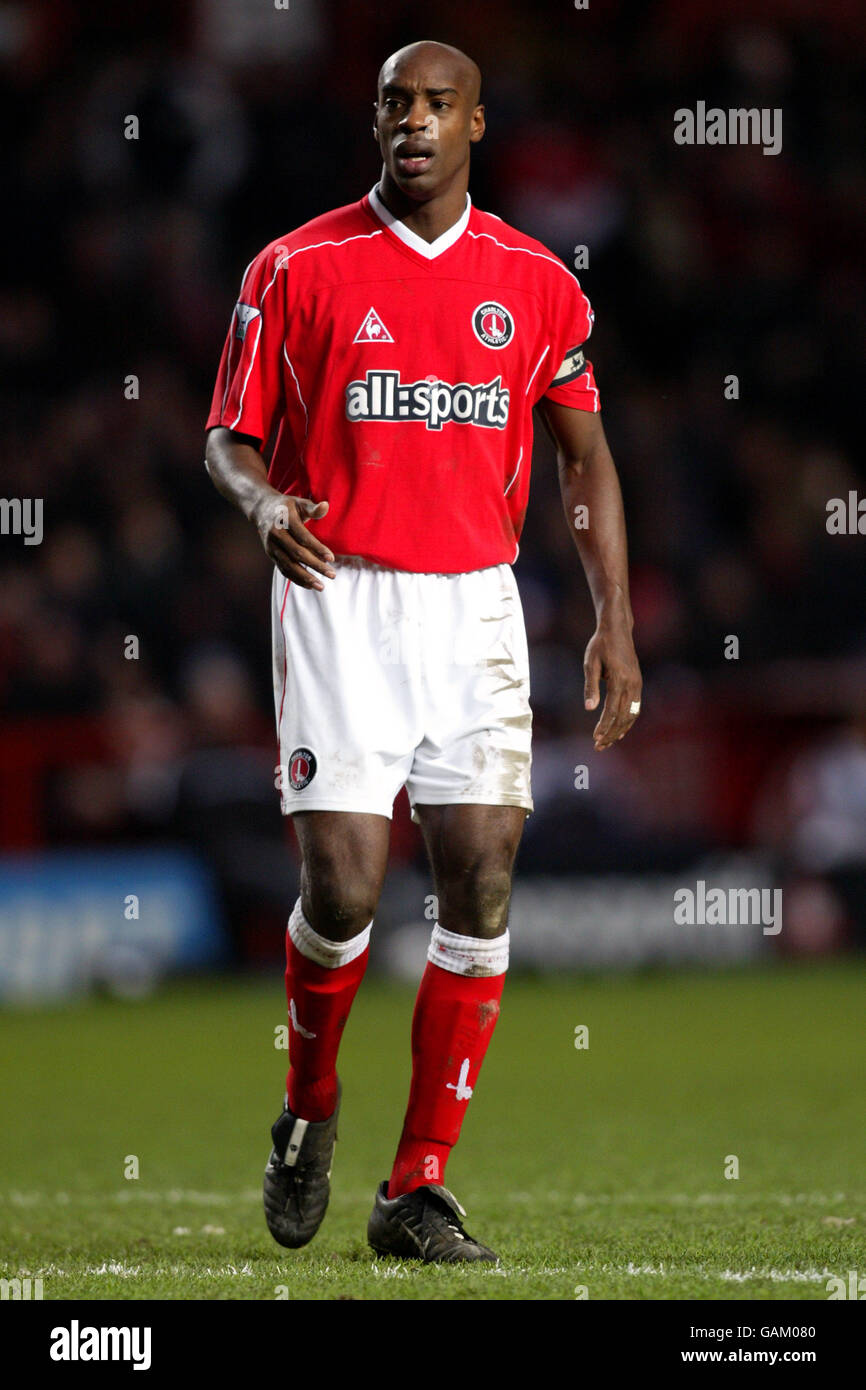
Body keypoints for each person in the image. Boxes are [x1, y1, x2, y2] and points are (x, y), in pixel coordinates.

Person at [204, 39, 642, 1264]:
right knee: (342, 890)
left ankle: (416, 1186)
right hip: (338, 598)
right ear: (377, 119)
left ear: (476, 125)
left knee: (481, 884)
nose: (414, 121)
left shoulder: (534, 279)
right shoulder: (296, 266)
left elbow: (583, 457)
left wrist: (613, 619)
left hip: (474, 609)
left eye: (438, 104)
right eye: (396, 101)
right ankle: (309, 1106)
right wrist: (259, 506)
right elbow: (227, 438)